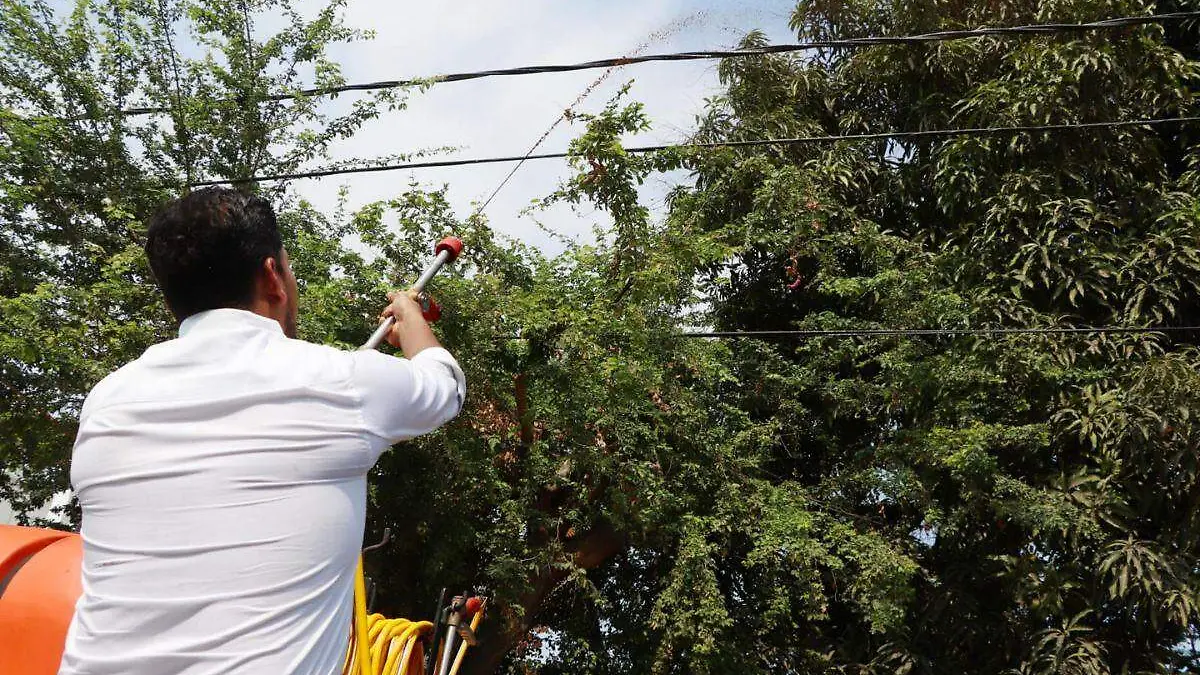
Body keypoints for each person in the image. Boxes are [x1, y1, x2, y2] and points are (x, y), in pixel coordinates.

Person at [57, 186, 465, 675]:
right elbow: (444, 387)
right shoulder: (341, 383)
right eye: (289, 269)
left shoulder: (107, 401)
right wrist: (412, 320)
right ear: (273, 277)